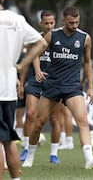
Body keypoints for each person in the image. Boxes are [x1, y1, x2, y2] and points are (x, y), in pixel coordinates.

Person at [21, 6, 93, 169]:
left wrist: (90, 87)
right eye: (71, 22)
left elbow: (88, 62)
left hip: (72, 87)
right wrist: (37, 69)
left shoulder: (85, 38)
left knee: (82, 121)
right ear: (63, 21)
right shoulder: (52, 35)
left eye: (77, 22)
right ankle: (30, 156)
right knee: (38, 123)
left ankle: (89, 159)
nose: (75, 25)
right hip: (52, 85)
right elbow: (36, 53)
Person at [0, 0, 48, 179]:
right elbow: (41, 42)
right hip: (8, 89)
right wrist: (21, 65)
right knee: (8, 138)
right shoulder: (17, 19)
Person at [19, 10, 63, 163]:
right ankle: (26, 148)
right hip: (35, 81)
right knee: (31, 114)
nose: (49, 26)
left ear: (55, 22)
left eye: (52, 23)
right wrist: (22, 84)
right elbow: (27, 61)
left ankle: (54, 154)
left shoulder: (61, 39)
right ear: (41, 23)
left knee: (54, 118)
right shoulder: (34, 39)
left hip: (53, 82)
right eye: (46, 23)